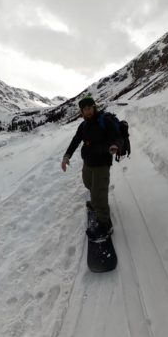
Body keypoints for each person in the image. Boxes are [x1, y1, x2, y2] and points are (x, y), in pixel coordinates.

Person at [61, 95, 122, 238]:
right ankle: (96, 203)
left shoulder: (104, 121)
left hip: (102, 163)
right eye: (84, 110)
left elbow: (117, 136)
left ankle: (104, 225)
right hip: (88, 162)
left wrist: (115, 145)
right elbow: (75, 141)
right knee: (88, 183)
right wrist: (66, 156)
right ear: (81, 112)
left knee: (98, 194)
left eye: (89, 108)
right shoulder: (83, 126)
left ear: (94, 108)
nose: (87, 111)